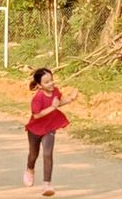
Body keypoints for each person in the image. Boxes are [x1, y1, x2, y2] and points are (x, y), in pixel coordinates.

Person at [23, 67, 78, 197]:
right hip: (35, 130)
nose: (51, 84)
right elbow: (36, 115)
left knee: (48, 154)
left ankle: (47, 184)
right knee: (33, 154)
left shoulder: (56, 91)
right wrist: (52, 107)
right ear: (39, 85)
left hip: (49, 128)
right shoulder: (37, 98)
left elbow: (58, 103)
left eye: (51, 80)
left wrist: (70, 98)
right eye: (46, 82)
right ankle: (30, 169)